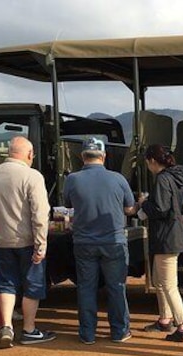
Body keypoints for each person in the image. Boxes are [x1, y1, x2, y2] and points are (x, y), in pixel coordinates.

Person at [63, 138, 136, 344]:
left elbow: (68, 205)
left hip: (84, 242)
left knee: (86, 287)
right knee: (117, 287)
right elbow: (129, 209)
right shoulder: (118, 179)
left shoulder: (73, 179)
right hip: (114, 241)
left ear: (83, 156)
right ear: (103, 156)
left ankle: (87, 333)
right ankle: (120, 331)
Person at [0, 136, 56, 347]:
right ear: (29, 154)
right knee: (32, 286)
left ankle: (6, 325)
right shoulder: (32, 176)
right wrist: (41, 244)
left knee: (7, 283)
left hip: (1, 240)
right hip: (26, 241)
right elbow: (40, 213)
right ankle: (29, 329)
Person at [134, 145, 183, 342]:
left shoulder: (162, 179)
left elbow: (160, 208)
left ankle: (182, 326)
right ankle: (165, 319)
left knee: (167, 284)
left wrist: (144, 203)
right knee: (161, 281)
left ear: (151, 161)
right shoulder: (174, 177)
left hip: (165, 238)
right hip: (171, 236)